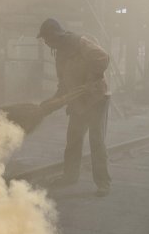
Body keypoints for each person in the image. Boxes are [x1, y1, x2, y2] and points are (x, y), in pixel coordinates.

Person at [37, 18, 112, 197]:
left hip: (96, 98)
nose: (46, 43)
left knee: (96, 141)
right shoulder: (60, 53)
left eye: (46, 38)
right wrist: (50, 103)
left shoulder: (80, 43)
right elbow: (63, 85)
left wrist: (91, 79)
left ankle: (103, 183)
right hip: (79, 101)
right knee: (73, 139)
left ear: (56, 36)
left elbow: (103, 58)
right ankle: (70, 176)